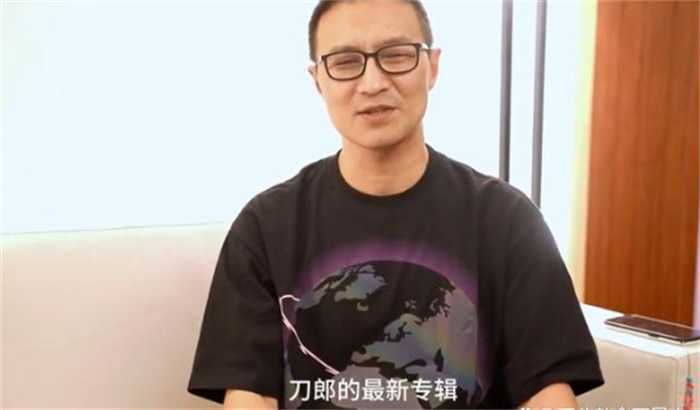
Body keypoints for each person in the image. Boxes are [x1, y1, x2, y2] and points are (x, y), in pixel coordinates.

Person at [187, 0, 605, 408]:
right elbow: (250, 394)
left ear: (432, 66)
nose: (372, 83)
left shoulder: (507, 220)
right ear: (318, 80)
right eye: (346, 62)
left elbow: (546, 390)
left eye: (396, 55)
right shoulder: (265, 226)